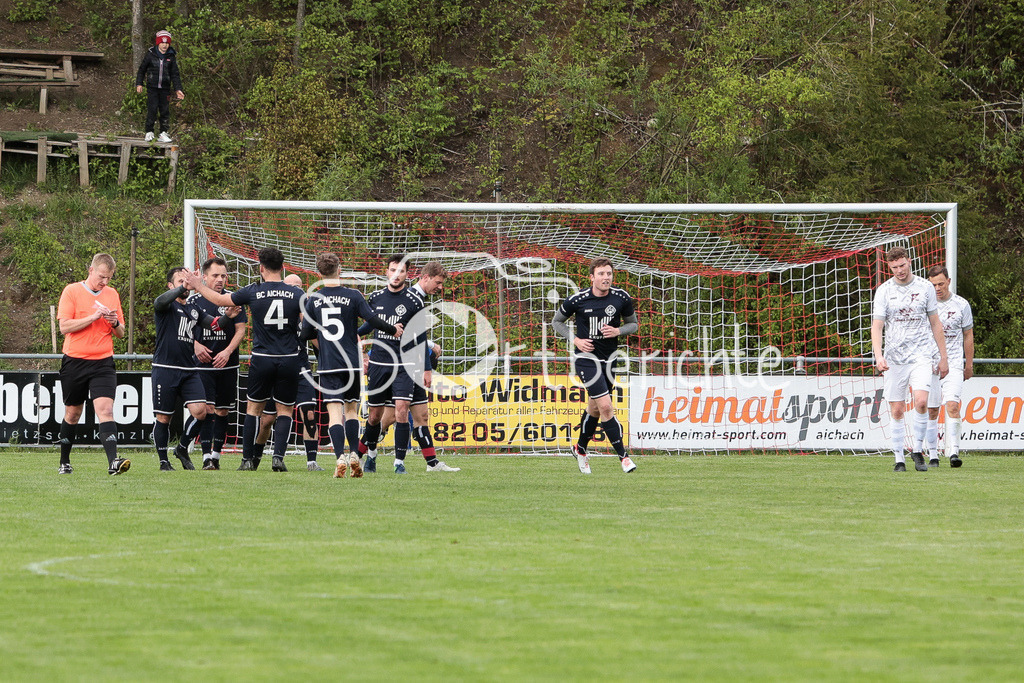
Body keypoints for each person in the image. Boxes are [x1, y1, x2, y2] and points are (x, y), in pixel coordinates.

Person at [185, 247, 304, 472]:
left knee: (253, 410)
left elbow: (220, 299)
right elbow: (308, 324)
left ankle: (247, 460)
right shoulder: (297, 294)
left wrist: (197, 284)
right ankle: (278, 458)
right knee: (285, 411)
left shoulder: (253, 291)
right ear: (282, 268)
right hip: (289, 358)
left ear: (260, 269)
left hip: (262, 359)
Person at [300, 253, 402, 477]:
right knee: (352, 411)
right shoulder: (353, 295)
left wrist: (321, 341)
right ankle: (355, 453)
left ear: (319, 273)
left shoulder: (313, 299)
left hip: (329, 364)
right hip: (352, 364)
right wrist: (392, 329)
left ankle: (340, 459)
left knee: (335, 414)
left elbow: (306, 333)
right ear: (340, 269)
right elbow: (372, 320)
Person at [358, 254, 459, 473]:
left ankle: (430, 463)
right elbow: (397, 330)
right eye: (438, 282)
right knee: (385, 417)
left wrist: (427, 351)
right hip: (393, 364)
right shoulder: (406, 296)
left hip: (409, 366)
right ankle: (360, 454)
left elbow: (415, 332)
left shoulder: (415, 299)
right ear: (425, 277)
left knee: (417, 415)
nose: (440, 287)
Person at [551, 257, 639, 474]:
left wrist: (618, 331)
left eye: (609, 274)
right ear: (592, 277)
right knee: (607, 406)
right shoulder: (578, 299)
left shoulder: (621, 297)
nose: (606, 278)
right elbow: (556, 321)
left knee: (595, 408)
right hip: (586, 359)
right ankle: (624, 457)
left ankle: (580, 448)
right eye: (601, 274)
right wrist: (576, 340)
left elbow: (634, 324)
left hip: (609, 359)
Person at [870, 246, 950, 472]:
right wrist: (878, 355)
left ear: (909, 262)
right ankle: (898, 458)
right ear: (890, 267)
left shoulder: (925, 287)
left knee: (922, 401)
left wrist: (943, 357)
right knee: (896, 410)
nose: (899, 270)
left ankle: (917, 449)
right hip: (895, 357)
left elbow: (935, 323)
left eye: (902, 265)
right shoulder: (884, 291)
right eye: (894, 267)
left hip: (922, 354)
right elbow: (877, 326)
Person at [55, 253, 130, 475]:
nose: (104, 282)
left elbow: (121, 332)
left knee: (105, 410)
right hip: (75, 361)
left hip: (103, 362)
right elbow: (64, 327)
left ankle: (113, 463)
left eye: (108, 278)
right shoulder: (72, 291)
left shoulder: (112, 294)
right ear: (91, 270)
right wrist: (94, 316)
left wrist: (114, 322)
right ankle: (64, 461)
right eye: (101, 276)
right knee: (73, 413)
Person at [152, 267, 234, 470]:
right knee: (164, 417)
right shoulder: (166, 306)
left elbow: (215, 325)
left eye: (187, 281)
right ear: (171, 286)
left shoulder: (193, 308)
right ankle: (164, 461)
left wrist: (229, 315)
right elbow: (159, 302)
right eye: (180, 281)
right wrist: (183, 288)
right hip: (166, 368)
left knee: (202, 411)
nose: (185, 285)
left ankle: (181, 447)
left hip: (189, 370)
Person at [188, 257, 247, 470]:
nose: (220, 279)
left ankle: (216, 455)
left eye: (223, 275)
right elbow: (184, 329)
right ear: (204, 277)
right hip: (202, 365)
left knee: (223, 411)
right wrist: (195, 345)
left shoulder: (233, 300)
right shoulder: (193, 301)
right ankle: (205, 457)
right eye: (215, 275)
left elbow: (241, 329)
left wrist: (228, 351)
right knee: (207, 408)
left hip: (227, 364)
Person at [925, 265, 974, 468]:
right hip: (929, 363)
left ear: (948, 282)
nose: (937, 288)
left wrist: (968, 364)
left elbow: (968, 335)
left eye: (941, 284)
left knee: (952, 405)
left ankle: (954, 452)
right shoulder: (925, 305)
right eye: (933, 284)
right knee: (931, 409)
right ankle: (932, 453)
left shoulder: (961, 305)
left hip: (953, 362)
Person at [135, 30, 184, 143]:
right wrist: (139, 83)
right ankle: (149, 131)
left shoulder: (171, 56)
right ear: (158, 43)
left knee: (164, 110)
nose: (164, 45)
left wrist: (178, 89)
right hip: (152, 88)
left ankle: (163, 133)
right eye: (162, 43)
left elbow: (175, 74)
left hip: (165, 89)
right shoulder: (150, 54)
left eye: (167, 43)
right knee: (152, 109)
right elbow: (142, 70)